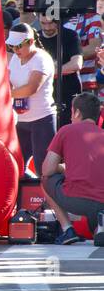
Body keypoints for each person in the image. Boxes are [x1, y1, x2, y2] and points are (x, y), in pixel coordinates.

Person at [41, 93, 104, 246]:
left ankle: (68, 229)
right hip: (102, 200)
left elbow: (47, 170)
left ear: (77, 113)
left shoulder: (66, 130)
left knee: (45, 181)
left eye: (71, 113)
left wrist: (62, 169)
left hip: (76, 200)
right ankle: (100, 226)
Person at [6, 22, 57, 176]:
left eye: (19, 46)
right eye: (12, 47)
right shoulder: (15, 58)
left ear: (31, 42)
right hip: (21, 120)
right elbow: (8, 80)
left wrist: (7, 94)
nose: (15, 50)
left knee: (44, 168)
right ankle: (24, 198)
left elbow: (31, 88)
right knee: (16, 166)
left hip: (42, 119)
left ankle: (49, 198)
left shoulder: (41, 59)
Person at [37, 8, 83, 129]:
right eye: (43, 23)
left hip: (67, 95)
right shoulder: (35, 38)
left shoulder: (70, 35)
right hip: (43, 98)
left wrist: (50, 72)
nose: (47, 28)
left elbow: (76, 64)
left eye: (51, 23)